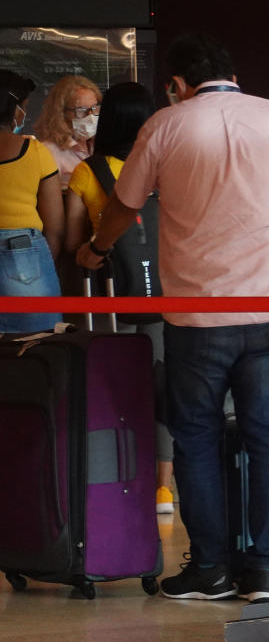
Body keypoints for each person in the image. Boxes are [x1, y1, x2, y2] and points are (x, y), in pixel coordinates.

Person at [77, 33, 269, 603]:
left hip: (199, 313)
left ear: (175, 85)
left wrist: (95, 250)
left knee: (195, 438)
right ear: (233, 73)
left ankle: (212, 569)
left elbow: (125, 204)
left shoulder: (167, 126)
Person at [64, 81, 176, 514]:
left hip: (113, 299)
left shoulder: (88, 172)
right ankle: (164, 489)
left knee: (114, 389)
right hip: (170, 297)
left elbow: (75, 243)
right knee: (163, 384)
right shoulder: (169, 166)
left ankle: (118, 478)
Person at [0, 69, 64, 333]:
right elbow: (55, 227)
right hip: (23, 253)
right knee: (39, 347)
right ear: (16, 110)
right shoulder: (35, 152)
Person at [32, 75, 102, 188]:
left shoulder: (100, 145)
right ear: (60, 114)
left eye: (94, 108)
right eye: (82, 110)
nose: (91, 116)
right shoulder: (48, 151)